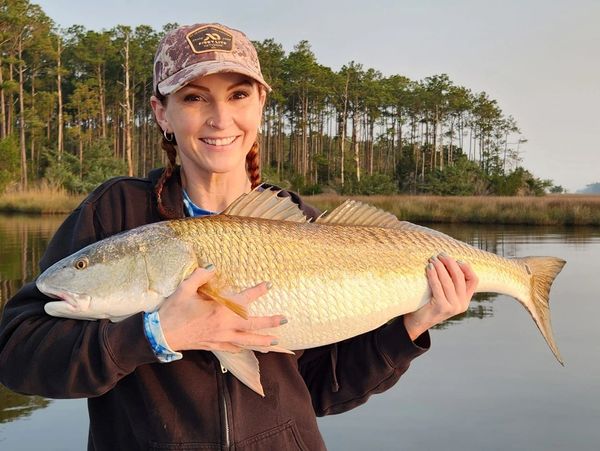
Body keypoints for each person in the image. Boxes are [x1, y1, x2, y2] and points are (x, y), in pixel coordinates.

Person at [0, 23, 478, 450]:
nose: (220, 118)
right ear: (161, 113)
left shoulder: (303, 224)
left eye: (238, 95)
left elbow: (320, 392)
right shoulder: (116, 212)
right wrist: (154, 333)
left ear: (260, 105)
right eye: (193, 97)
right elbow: (18, 355)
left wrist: (414, 324)